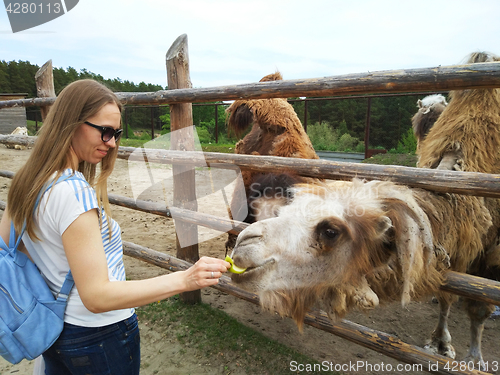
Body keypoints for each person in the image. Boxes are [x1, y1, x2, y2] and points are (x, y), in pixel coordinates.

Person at [0, 79, 230, 375]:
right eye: (105, 132)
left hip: (54, 330)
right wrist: (186, 280)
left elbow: (9, 246)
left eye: (116, 133)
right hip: (98, 335)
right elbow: (97, 297)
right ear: (71, 123)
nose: (112, 143)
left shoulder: (29, 181)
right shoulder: (74, 193)